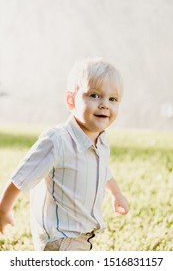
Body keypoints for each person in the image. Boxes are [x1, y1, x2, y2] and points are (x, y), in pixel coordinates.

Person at [0, 58, 129, 251]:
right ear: (71, 100)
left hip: (82, 235)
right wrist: (3, 210)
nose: (104, 105)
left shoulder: (101, 140)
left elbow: (102, 169)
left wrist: (116, 193)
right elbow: (22, 176)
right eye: (94, 95)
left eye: (113, 99)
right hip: (59, 237)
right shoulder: (57, 140)